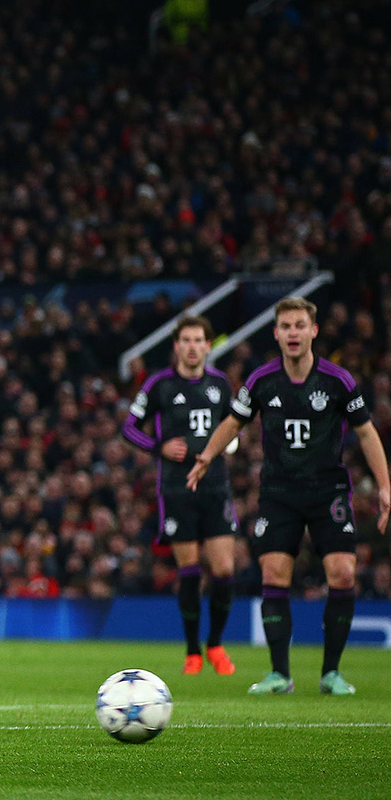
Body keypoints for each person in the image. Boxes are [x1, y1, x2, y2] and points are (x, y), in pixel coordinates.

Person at [187, 298, 391, 695]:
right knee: (274, 575)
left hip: (328, 489)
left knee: (343, 573)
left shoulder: (338, 380)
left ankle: (331, 673)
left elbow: (366, 432)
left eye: (300, 325)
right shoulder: (262, 380)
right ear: (276, 333)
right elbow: (233, 422)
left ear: (313, 331)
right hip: (279, 492)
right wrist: (207, 457)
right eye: (286, 326)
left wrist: (384, 485)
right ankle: (280, 674)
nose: (293, 333)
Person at [121, 316, 237, 675]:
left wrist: (228, 445)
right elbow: (129, 427)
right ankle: (192, 651)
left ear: (207, 345)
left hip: (215, 486)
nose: (191, 346)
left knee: (224, 570)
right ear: (176, 346)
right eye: (184, 340)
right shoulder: (160, 385)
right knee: (188, 571)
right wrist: (158, 447)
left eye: (198, 340)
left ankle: (215, 644)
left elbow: (235, 426)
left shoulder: (221, 384)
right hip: (176, 488)